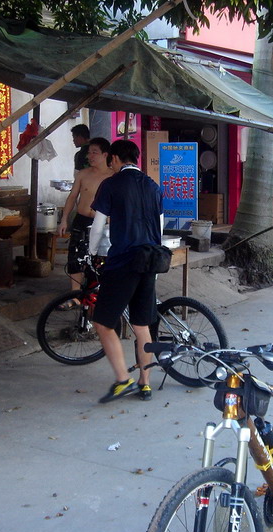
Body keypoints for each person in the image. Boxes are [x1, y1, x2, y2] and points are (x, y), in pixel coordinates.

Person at [89, 140, 163, 403]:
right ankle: (145, 383)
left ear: (115, 159)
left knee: (102, 322)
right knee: (142, 325)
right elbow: (159, 226)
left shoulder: (111, 184)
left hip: (123, 261)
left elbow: (98, 226)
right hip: (150, 259)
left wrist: (91, 252)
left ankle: (123, 380)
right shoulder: (152, 186)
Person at [56, 137, 114, 303]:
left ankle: (97, 294)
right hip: (81, 220)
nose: (90, 156)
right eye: (89, 152)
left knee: (99, 259)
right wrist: (64, 219)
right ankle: (75, 295)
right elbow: (72, 197)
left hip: (101, 223)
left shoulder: (113, 176)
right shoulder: (83, 174)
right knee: (75, 256)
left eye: (94, 152)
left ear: (105, 155)